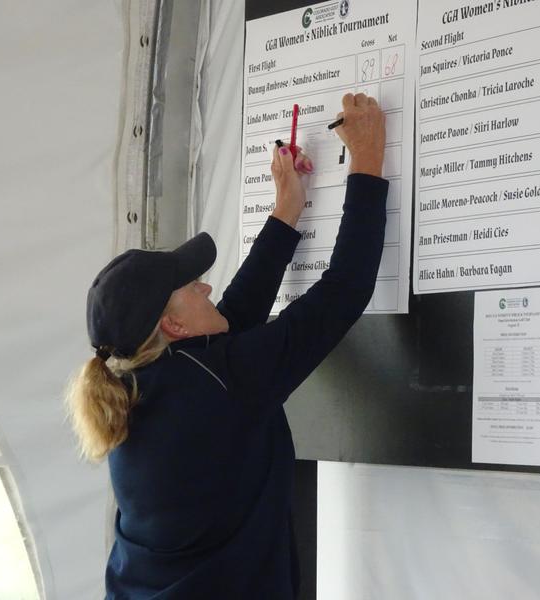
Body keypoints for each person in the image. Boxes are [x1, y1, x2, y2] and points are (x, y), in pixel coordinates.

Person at [66, 92, 387, 599]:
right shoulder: (216, 384)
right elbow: (344, 290)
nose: (206, 287)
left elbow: (233, 318)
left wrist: (287, 209)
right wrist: (367, 160)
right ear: (173, 326)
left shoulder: (140, 385)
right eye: (191, 288)